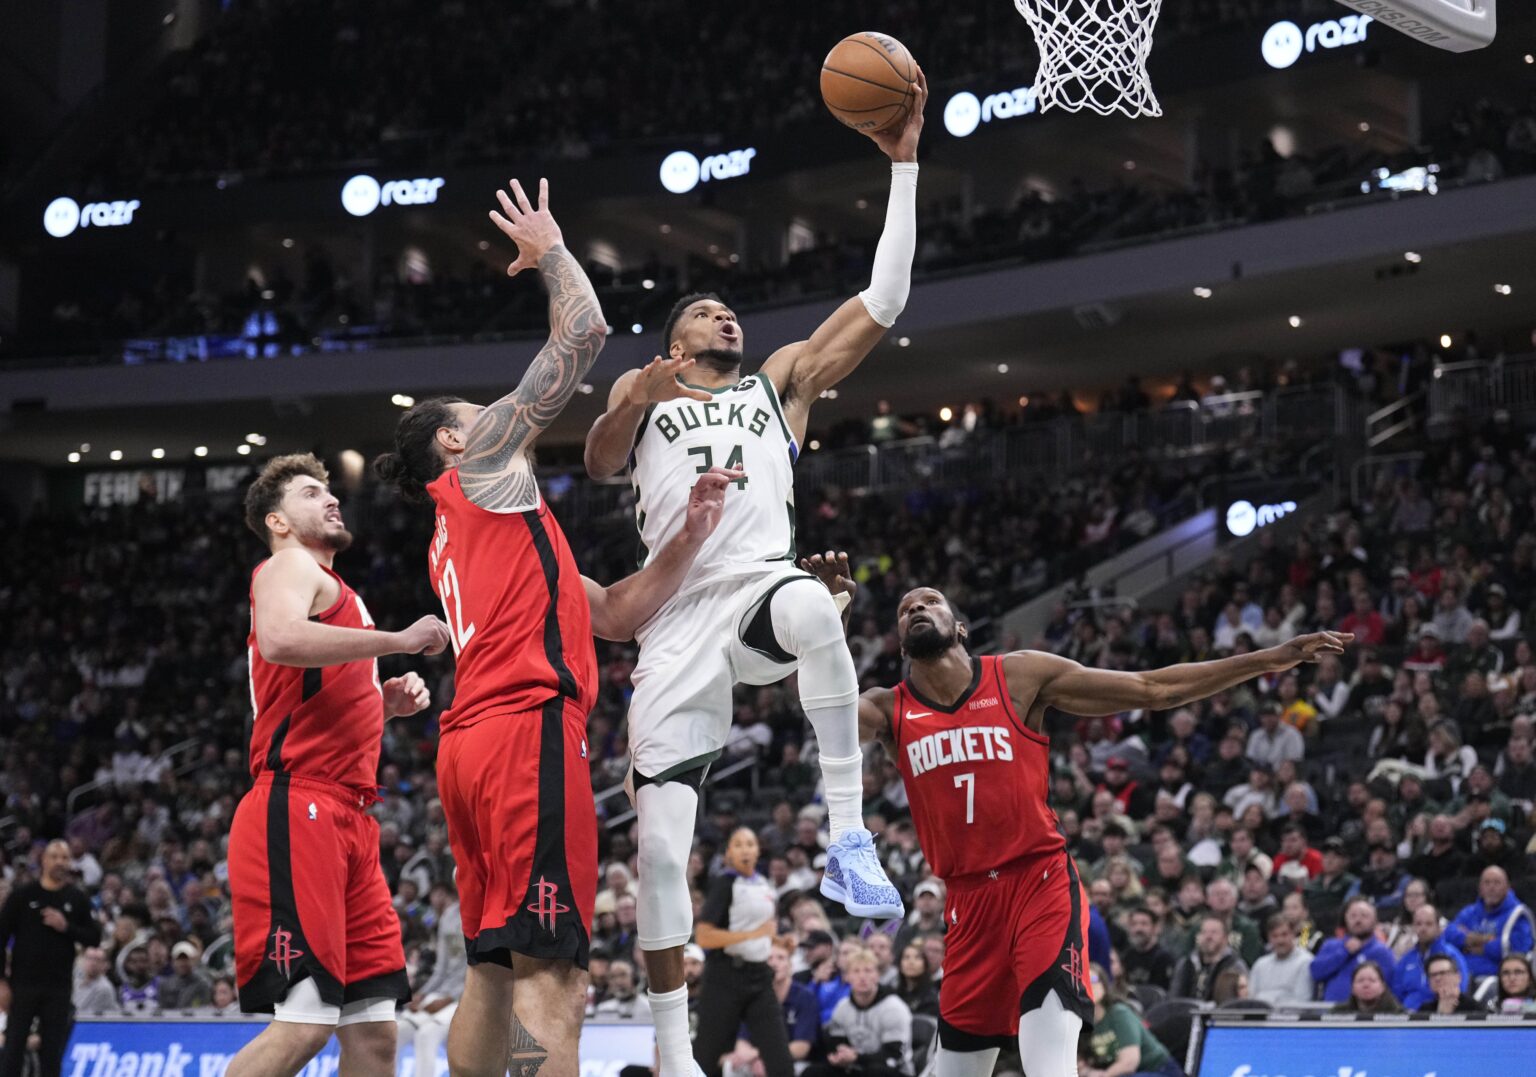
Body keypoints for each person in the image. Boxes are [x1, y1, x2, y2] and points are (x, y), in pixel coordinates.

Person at [581, 80, 932, 1077]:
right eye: (705, 308)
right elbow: (602, 462)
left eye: (728, 307)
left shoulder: (780, 383)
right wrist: (630, 400)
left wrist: (903, 161)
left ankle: (849, 837)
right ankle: (671, 1054)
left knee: (817, 602)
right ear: (673, 345)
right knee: (656, 853)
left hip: (754, 594)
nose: (723, 312)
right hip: (671, 619)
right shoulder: (643, 392)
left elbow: (889, 300)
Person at [374, 179, 741, 1077]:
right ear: (458, 443)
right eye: (478, 416)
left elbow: (613, 611)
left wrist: (690, 537)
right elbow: (583, 333)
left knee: (492, 967)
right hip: (524, 733)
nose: (497, 418)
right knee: (554, 972)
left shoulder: (470, 540)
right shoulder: (485, 469)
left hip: (469, 747)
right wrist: (551, 253)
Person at [817, 556, 1347, 1077]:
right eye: (905, 608)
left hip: (1039, 883)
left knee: (1049, 1065)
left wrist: (1267, 659)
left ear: (959, 626)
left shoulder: (1019, 677)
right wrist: (829, 617)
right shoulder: (890, 709)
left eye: (930, 601)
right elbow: (826, 714)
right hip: (967, 904)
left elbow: (1152, 688)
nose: (916, 608)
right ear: (900, 640)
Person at [225, 454, 447, 1077]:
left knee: (377, 1034)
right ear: (278, 521)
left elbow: (311, 701)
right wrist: (398, 642)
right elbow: (281, 640)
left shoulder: (338, 591)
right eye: (309, 492)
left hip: (349, 814)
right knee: (303, 1025)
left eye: (329, 490)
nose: (330, 499)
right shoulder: (287, 564)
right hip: (299, 805)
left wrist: (382, 706)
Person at [692, 828, 789, 1077]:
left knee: (779, 1057)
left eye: (750, 843)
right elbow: (704, 936)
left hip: (759, 976)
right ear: (728, 854)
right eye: (738, 844)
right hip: (725, 977)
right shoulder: (725, 883)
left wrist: (779, 941)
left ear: (758, 851)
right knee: (707, 1057)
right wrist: (754, 934)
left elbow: (760, 929)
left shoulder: (764, 884)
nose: (745, 849)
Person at [0, 840, 98, 1077]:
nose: (59, 862)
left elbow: (94, 937)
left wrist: (67, 927)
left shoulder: (77, 898)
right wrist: (2, 979)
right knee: (13, 1047)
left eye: (64, 858)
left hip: (58, 986)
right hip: (23, 984)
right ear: (43, 860)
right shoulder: (23, 895)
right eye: (54, 857)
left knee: (51, 1052)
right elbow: (1, 936)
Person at [806, 949, 913, 1077]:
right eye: (856, 971)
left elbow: (893, 1055)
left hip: (893, 1070)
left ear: (877, 975)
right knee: (814, 1072)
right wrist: (840, 1056)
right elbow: (836, 1043)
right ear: (847, 977)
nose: (862, 977)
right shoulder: (842, 1007)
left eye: (868, 970)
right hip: (855, 1067)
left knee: (874, 1072)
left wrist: (856, 1058)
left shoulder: (894, 1008)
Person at [397, 882, 465, 1077]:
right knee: (398, 1030)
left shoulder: (484, 913)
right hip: (441, 993)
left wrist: (449, 999)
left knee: (426, 1035)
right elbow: (442, 967)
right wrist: (422, 993)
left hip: (466, 998)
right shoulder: (449, 916)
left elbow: (479, 970)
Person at [1079, 963, 1184, 1077]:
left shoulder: (1119, 1013)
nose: (1088, 985)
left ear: (1104, 985)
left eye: (1093, 979)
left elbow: (1129, 1063)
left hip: (1159, 1070)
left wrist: (1102, 1076)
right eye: (1082, 982)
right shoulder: (1078, 1022)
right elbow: (1079, 1063)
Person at [1444, 866, 1534, 979]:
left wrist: (1478, 947)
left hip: (1497, 978)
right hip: (1461, 975)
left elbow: (1517, 949)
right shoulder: (1470, 912)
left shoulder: (1518, 914)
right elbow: (1448, 934)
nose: (1491, 887)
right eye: (1487, 883)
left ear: (1507, 887)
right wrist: (1484, 939)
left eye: (1497, 883)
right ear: (1480, 888)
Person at [1310, 898, 1397, 1003]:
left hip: (1367, 1014)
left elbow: (1390, 987)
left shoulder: (1383, 952)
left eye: (1364, 916)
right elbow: (1315, 972)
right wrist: (1344, 952)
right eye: (1353, 916)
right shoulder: (1330, 945)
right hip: (1331, 1012)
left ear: (1375, 920)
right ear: (1345, 919)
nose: (1358, 920)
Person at [1391, 903, 1469, 1011]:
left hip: (1442, 1014)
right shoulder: (1406, 959)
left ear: (1438, 927)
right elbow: (1396, 993)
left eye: (1428, 924)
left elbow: (1461, 989)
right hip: (1408, 1018)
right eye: (1418, 924)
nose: (1423, 929)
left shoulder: (1451, 955)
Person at [764, 940, 821, 1064]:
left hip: (795, 1062)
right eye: (769, 959)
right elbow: (743, 1041)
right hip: (758, 1059)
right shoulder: (755, 997)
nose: (774, 963)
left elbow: (801, 1048)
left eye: (780, 958)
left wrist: (764, 1057)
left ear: (790, 965)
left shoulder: (805, 997)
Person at [1171, 915, 1248, 1004]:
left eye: (1214, 932)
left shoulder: (1235, 966)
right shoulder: (1186, 963)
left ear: (1225, 938)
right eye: (1204, 932)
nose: (1208, 937)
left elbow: (1239, 1002)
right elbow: (1174, 999)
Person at [1247, 915, 1314, 1006]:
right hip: (1260, 1017)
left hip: (1291, 1018)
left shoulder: (1306, 961)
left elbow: (1302, 1001)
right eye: (1275, 936)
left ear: (1293, 935)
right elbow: (1251, 998)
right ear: (1269, 939)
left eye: (1284, 934)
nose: (1280, 940)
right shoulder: (1260, 964)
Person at [1120, 907, 1175, 991]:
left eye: (1144, 924)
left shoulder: (1164, 958)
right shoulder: (1126, 956)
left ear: (1155, 928)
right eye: (1134, 924)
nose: (1138, 929)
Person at [1416, 954, 1484, 1014]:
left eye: (1443, 973)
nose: (1437, 978)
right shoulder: (1424, 1009)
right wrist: (1440, 1014)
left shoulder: (1474, 1008)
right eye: (1433, 975)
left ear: (1458, 977)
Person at [156, 941, 214, 1010]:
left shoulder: (202, 985)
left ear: (193, 961)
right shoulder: (165, 985)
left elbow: (203, 1010)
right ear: (173, 962)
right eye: (179, 959)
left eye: (186, 959)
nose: (182, 963)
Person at [1332, 961, 1403, 1015]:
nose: (1366, 985)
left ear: (1382, 987)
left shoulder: (1398, 1014)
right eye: (1360, 981)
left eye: (1372, 980)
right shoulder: (1338, 1014)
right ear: (1352, 988)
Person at [893, 944, 940, 1018]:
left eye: (917, 957)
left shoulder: (931, 997)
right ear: (900, 964)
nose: (911, 962)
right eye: (906, 957)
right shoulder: (894, 995)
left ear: (925, 964)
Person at [72, 947, 118, 1015]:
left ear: (105, 964)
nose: (93, 963)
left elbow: (85, 1016)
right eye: (89, 958)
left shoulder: (104, 988)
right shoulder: (77, 981)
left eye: (98, 960)